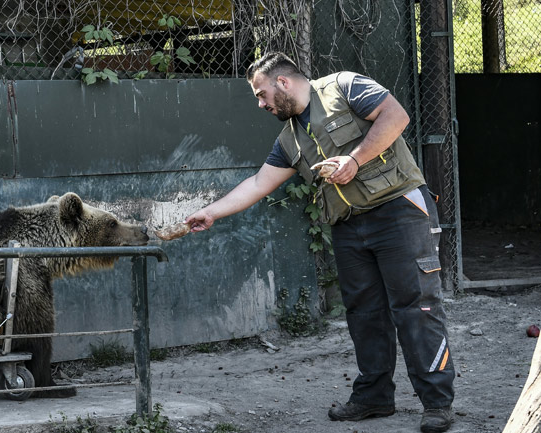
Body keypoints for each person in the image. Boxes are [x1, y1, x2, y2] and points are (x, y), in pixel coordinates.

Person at [185, 52, 455, 433]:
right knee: (363, 312)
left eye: (261, 94)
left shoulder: (345, 87)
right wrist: (212, 212)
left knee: (416, 307)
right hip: (348, 225)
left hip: (399, 211)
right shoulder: (289, 138)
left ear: (282, 82)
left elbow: (397, 116)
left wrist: (355, 160)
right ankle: (374, 397)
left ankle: (437, 403)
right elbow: (259, 183)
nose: (261, 104)